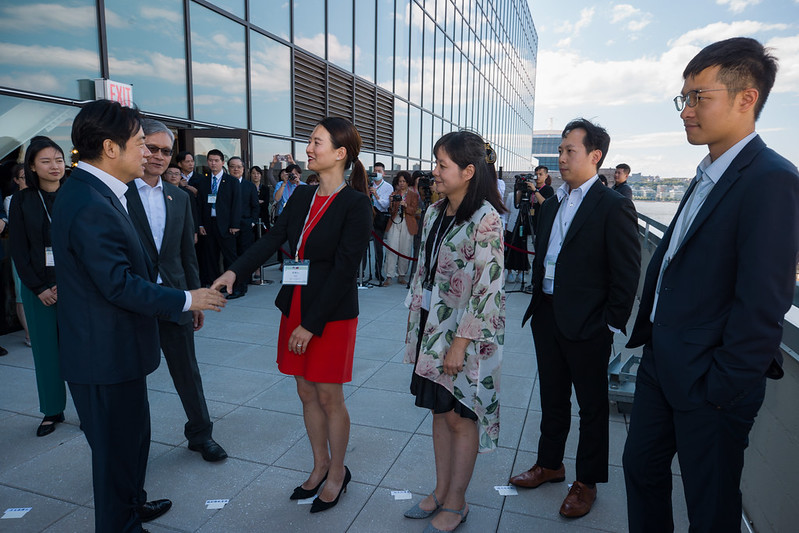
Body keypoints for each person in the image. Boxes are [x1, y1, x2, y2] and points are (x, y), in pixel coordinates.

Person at [622, 37, 799, 533]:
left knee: (711, 506)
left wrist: (720, 389)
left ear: (747, 99)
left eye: (699, 97)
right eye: (684, 98)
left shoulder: (771, 178)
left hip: (711, 382)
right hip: (663, 362)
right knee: (640, 469)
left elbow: (764, 302)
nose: (686, 111)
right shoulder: (707, 173)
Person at [50, 100, 226, 533]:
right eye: (140, 143)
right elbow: (119, 284)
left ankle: (132, 505)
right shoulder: (91, 202)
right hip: (104, 356)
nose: (148, 153)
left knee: (130, 445)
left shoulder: (96, 192)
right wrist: (186, 299)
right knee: (115, 455)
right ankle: (122, 523)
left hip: (117, 352)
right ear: (111, 148)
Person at [212, 117, 372, 514]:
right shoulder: (302, 194)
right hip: (296, 302)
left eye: (317, 142)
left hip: (330, 313)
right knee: (305, 391)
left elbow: (345, 271)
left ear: (340, 153)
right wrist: (235, 271)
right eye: (310, 141)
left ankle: (338, 472)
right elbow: (272, 238)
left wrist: (311, 325)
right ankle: (319, 465)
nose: (309, 148)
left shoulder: (355, 204)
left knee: (329, 395)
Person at [510, 118, 640, 519]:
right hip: (547, 313)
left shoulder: (613, 205)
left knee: (591, 406)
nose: (562, 158)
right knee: (552, 397)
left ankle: (587, 481)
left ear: (595, 156)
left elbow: (627, 272)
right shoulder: (551, 203)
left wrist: (610, 324)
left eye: (570, 150)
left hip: (589, 323)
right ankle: (550, 464)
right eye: (560, 150)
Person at [403, 131, 506, 533]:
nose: (435, 171)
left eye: (442, 165)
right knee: (440, 412)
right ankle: (441, 490)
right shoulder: (435, 211)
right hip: (432, 326)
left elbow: (487, 289)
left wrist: (460, 344)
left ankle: (457, 502)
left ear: (468, 171)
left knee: (462, 417)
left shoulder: (486, 218)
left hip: (463, 335)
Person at [125, 119, 228, 463]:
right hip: (132, 301)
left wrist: (194, 298)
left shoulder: (180, 198)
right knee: (131, 377)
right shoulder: (118, 195)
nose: (158, 156)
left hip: (175, 298)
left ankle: (201, 434)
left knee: (187, 372)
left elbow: (187, 254)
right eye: (151, 148)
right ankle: (132, 444)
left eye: (166, 151)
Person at [9, 137, 67, 436]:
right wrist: (39, 287)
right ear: (32, 166)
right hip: (38, 289)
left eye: (58, 159)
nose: (54, 166)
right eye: (46, 161)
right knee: (46, 352)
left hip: (76, 287)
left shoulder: (76, 194)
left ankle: (89, 408)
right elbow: (19, 249)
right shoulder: (22, 200)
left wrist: (70, 284)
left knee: (81, 351)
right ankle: (52, 410)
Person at [194, 149, 241, 293]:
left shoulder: (232, 181)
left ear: (222, 162)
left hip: (227, 226)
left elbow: (236, 204)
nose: (213, 163)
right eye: (210, 160)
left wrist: (234, 224)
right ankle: (216, 287)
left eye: (216, 160)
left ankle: (236, 287)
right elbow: (199, 205)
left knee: (230, 257)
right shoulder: (203, 181)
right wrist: (200, 224)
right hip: (208, 225)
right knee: (210, 257)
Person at [7, 163, 31, 347]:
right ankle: (29, 334)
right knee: (22, 293)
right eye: (23, 177)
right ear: (16, 180)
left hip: (41, 253)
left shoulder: (39, 196)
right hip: (21, 251)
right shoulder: (11, 200)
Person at [382, 171, 419, 286]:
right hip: (395, 221)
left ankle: (401, 275)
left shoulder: (413, 195)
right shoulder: (394, 194)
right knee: (391, 247)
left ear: (408, 182)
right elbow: (391, 211)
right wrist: (391, 203)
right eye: (400, 181)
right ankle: (389, 275)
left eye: (404, 181)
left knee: (405, 248)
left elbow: (414, 210)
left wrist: (406, 205)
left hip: (407, 222)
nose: (402, 183)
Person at [231, 156, 259, 294]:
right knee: (231, 255)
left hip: (245, 225)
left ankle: (243, 283)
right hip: (228, 226)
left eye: (239, 167)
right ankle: (232, 283)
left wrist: (252, 222)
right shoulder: (225, 184)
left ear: (243, 169)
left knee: (245, 254)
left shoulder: (249, 186)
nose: (236, 169)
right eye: (233, 166)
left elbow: (255, 206)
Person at [369, 162, 393, 284]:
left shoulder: (388, 187)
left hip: (380, 217)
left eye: (379, 171)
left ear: (383, 173)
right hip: (368, 216)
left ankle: (378, 271)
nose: (376, 173)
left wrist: (376, 195)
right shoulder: (368, 185)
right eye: (375, 171)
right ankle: (360, 271)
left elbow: (385, 205)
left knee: (378, 246)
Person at [165, 163, 199, 242]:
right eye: (170, 173)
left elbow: (193, 212)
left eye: (176, 174)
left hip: (183, 228)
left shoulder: (187, 193)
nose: (173, 176)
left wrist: (195, 232)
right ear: (165, 176)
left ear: (181, 176)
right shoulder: (160, 191)